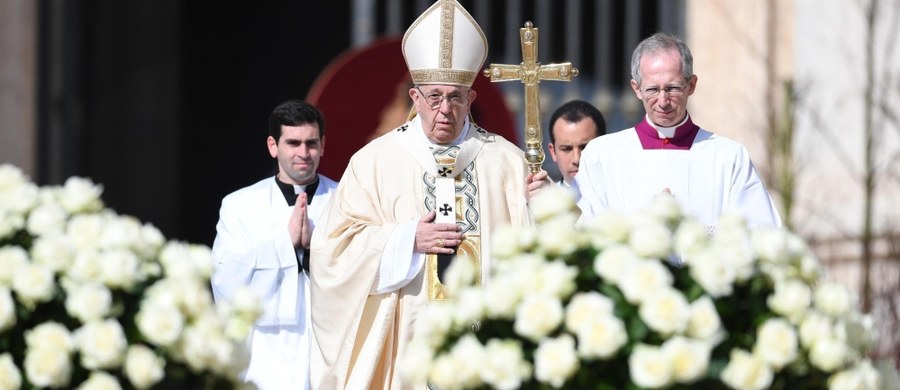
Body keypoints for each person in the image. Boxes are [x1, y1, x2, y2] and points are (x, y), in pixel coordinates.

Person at [308, 0, 550, 388]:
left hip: (486, 348)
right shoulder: (374, 163)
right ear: (414, 98)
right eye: (433, 97)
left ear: (472, 100)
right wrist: (405, 240)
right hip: (407, 344)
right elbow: (331, 252)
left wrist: (548, 209)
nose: (444, 109)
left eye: (455, 97)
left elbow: (547, 253)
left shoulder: (507, 162)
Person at [574, 33, 781, 233]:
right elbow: (588, 234)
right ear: (636, 89)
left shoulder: (728, 157)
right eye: (653, 90)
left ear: (691, 85)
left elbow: (762, 233)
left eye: (673, 88)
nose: (663, 102)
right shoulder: (603, 155)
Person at [210, 100, 338, 390]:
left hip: (328, 349)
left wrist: (313, 253)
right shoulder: (239, 205)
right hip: (263, 354)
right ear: (273, 145)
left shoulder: (347, 200)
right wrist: (286, 245)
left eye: (311, 143)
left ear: (323, 144)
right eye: (293, 143)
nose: (304, 153)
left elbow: (366, 268)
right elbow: (224, 279)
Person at [547, 99, 607, 187]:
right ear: (553, 152)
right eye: (566, 149)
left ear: (604, 147)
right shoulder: (543, 200)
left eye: (585, 147)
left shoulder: (624, 196)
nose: (576, 159)